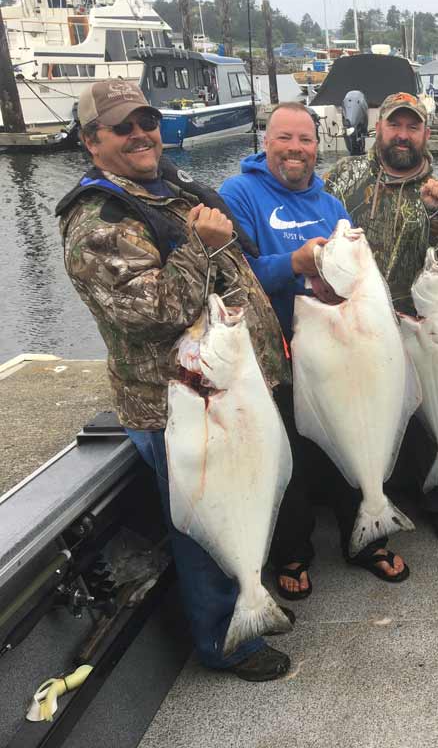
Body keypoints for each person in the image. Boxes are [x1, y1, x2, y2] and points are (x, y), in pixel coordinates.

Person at [57, 80, 292, 681]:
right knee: (201, 527)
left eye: (146, 121)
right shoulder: (98, 221)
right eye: (121, 127)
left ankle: (251, 601)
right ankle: (225, 642)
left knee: (245, 505)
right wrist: (198, 245)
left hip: (232, 393)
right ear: (91, 142)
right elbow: (148, 314)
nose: (141, 134)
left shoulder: (168, 190)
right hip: (179, 409)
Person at [219, 103, 409, 599]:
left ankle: (365, 538)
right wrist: (294, 264)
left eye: (305, 140)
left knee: (354, 437)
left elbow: (353, 278)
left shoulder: (329, 202)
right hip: (270, 358)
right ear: (267, 142)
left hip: (336, 353)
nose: (296, 149)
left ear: (316, 145)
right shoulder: (239, 194)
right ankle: (294, 552)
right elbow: (228, 273)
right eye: (285, 138)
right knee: (291, 460)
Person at [322, 92, 438, 544]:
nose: (403, 135)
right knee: (357, 415)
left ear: (425, 134)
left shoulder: (437, 192)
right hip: (351, 324)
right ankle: (362, 504)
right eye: (394, 125)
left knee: (423, 411)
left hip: (409, 325)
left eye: (413, 127)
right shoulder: (344, 176)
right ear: (378, 129)